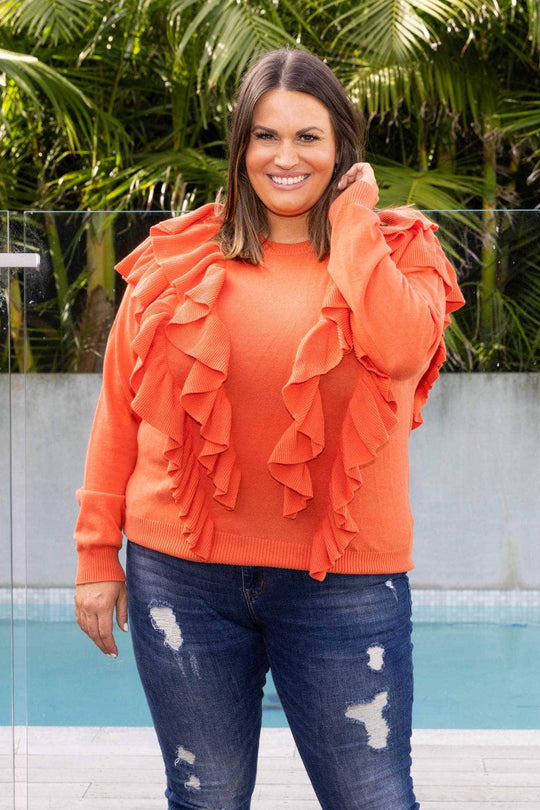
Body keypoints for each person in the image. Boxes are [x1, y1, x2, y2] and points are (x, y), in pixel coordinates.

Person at [74, 48, 464, 810]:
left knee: (374, 799)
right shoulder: (179, 255)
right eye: (265, 136)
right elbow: (119, 408)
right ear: (240, 147)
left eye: (308, 137)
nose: (286, 157)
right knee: (206, 796)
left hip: (343, 579)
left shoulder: (399, 250)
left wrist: (353, 223)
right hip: (179, 573)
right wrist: (95, 553)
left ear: (342, 147)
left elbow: (399, 351)